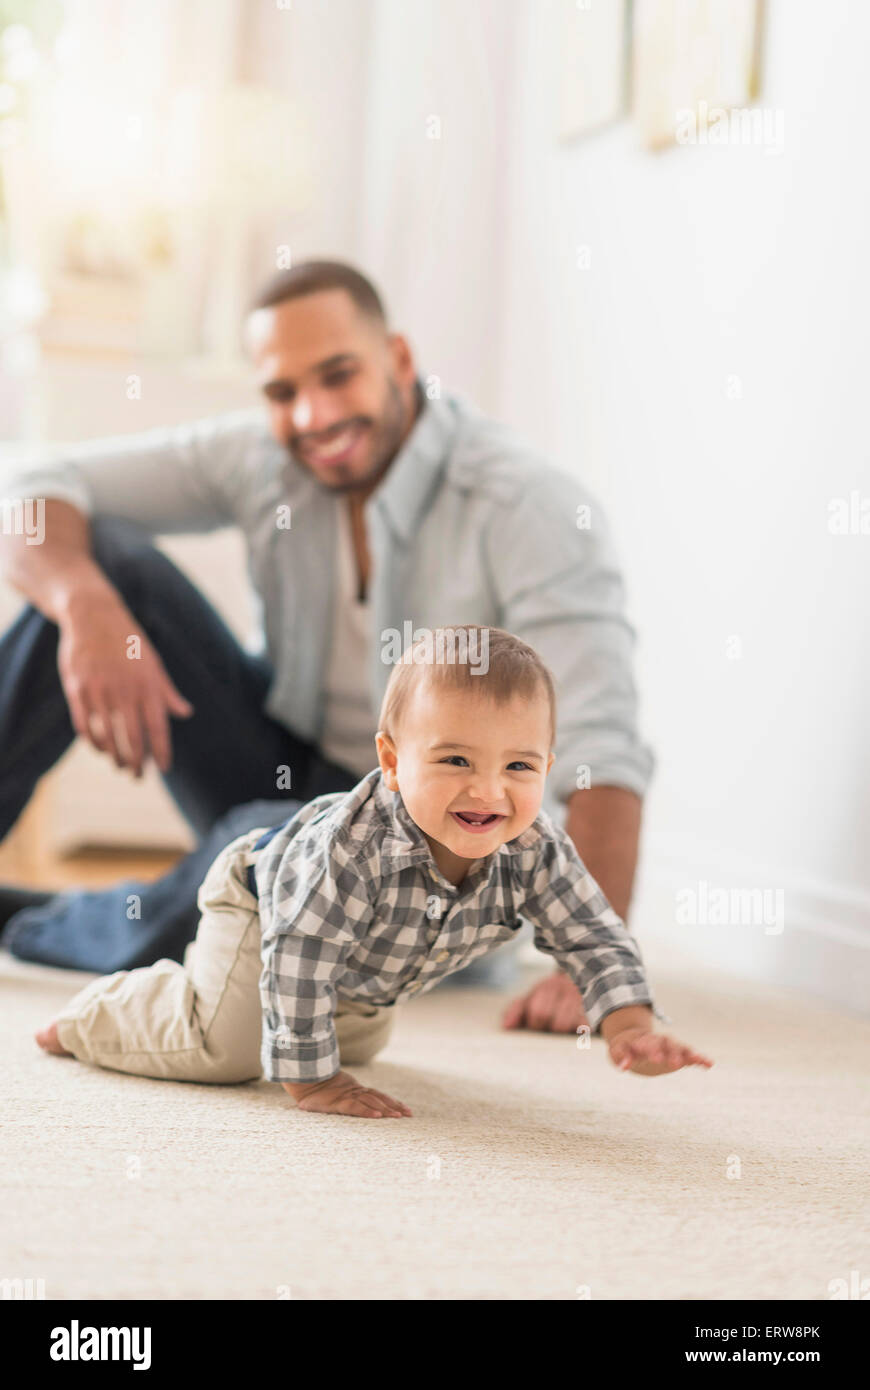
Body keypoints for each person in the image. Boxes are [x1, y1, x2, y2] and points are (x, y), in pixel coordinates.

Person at [0, 260, 652, 1035]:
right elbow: (36, 480)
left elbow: (602, 751)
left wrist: (593, 968)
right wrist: (84, 605)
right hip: (286, 765)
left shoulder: (527, 506)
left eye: (338, 376)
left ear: (400, 362)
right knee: (103, 557)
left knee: (265, 842)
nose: (313, 414)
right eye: (283, 392)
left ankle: (36, 924)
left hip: (438, 837)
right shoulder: (262, 460)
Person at [35, 627, 710, 1115]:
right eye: (454, 761)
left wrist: (630, 1024)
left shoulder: (536, 848)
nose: (488, 792)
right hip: (266, 907)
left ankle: (309, 1028)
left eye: (518, 767)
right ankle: (110, 1010)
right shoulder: (354, 849)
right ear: (391, 762)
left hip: (369, 969)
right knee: (229, 1052)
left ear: (547, 769)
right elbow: (301, 951)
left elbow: (592, 934)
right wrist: (313, 1083)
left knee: (354, 1042)